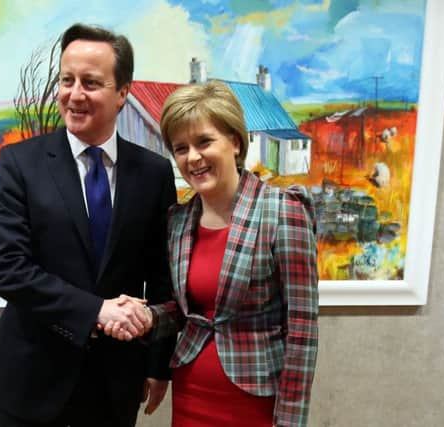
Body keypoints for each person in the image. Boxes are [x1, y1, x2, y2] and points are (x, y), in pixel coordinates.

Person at [0, 23, 176, 427]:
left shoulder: (154, 173)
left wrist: (159, 365)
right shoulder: (19, 164)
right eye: (66, 80)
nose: (74, 94)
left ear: (123, 92)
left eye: (90, 82)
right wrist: (97, 311)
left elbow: (163, 279)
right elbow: (5, 267)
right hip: (33, 382)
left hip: (115, 385)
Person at [105, 81, 319, 427]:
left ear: (235, 141)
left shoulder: (283, 212)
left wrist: (291, 421)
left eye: (204, 142)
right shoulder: (178, 220)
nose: (193, 157)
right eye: (180, 148)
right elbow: (185, 311)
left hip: (255, 403)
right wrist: (147, 316)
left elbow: (302, 331)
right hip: (191, 393)